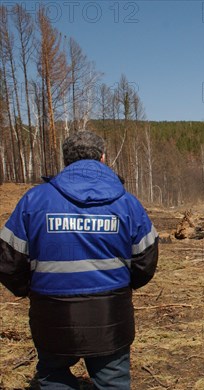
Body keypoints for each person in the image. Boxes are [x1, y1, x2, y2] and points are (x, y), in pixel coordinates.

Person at [0, 130, 159, 389]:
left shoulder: (34, 200)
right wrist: (125, 286)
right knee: (113, 380)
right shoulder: (127, 203)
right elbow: (146, 260)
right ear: (103, 159)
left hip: (51, 311)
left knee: (53, 376)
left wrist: (27, 289)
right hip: (110, 314)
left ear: (66, 161)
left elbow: (7, 260)